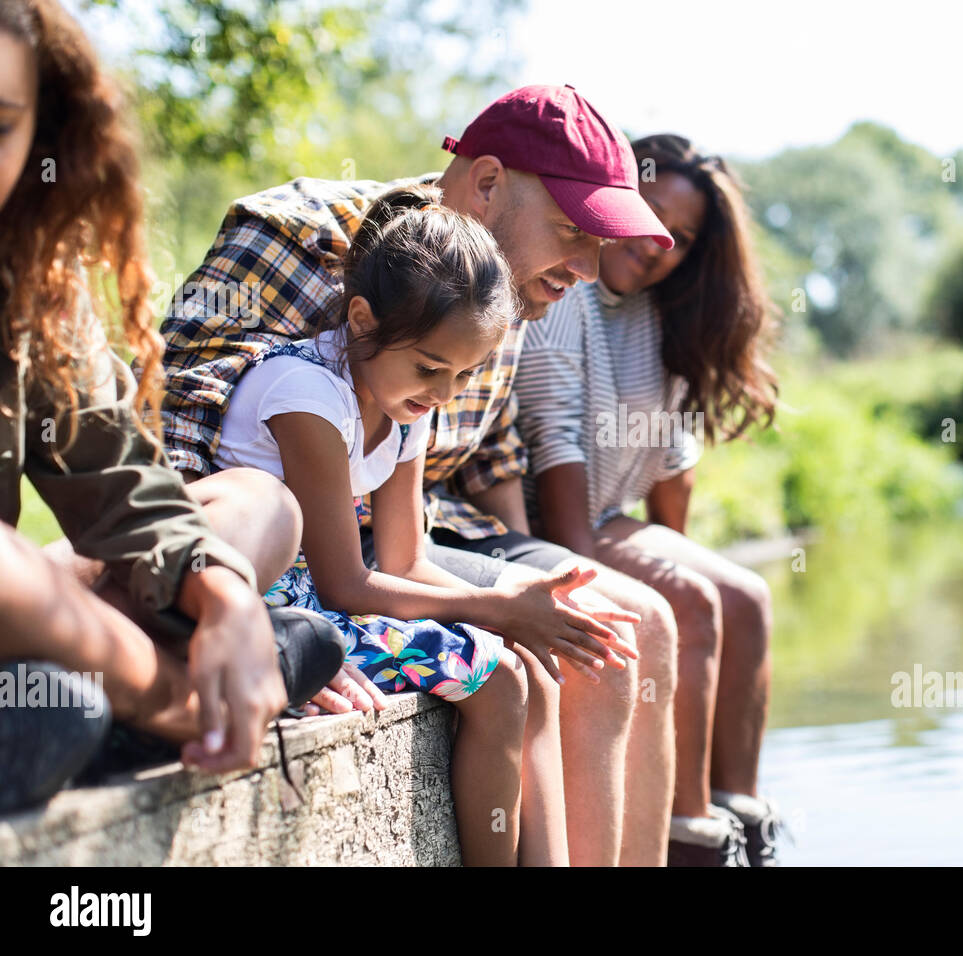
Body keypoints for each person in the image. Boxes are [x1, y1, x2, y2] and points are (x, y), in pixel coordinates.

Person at [152, 85, 683, 865]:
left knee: (634, 629)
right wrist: (234, 613)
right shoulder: (301, 238)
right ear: (489, 182)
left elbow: (481, 461)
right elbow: (170, 418)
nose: (587, 269)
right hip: (274, 559)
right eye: (574, 231)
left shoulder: (500, 301)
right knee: (559, 654)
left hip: (404, 544)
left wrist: (535, 594)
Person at [211, 184, 636, 864]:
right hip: (263, 605)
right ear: (360, 318)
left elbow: (406, 560)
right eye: (431, 368)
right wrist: (497, 604)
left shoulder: (403, 402)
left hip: (320, 599)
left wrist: (519, 615)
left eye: (463, 377)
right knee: (495, 681)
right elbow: (347, 583)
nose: (441, 395)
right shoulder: (305, 396)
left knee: (530, 667)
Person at [0, 0, 343, 814]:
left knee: (257, 505)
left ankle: (78, 697)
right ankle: (170, 702)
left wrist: (219, 595)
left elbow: (120, 477)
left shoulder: (25, 279)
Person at [515, 134, 782, 865]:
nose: (658, 241)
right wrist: (598, 577)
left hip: (610, 516)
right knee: (689, 604)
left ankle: (745, 829)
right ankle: (691, 837)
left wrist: (678, 556)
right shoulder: (568, 294)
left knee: (746, 597)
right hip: (544, 521)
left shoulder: (668, 315)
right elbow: (556, 441)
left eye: (683, 237)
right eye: (649, 213)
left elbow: (674, 468)